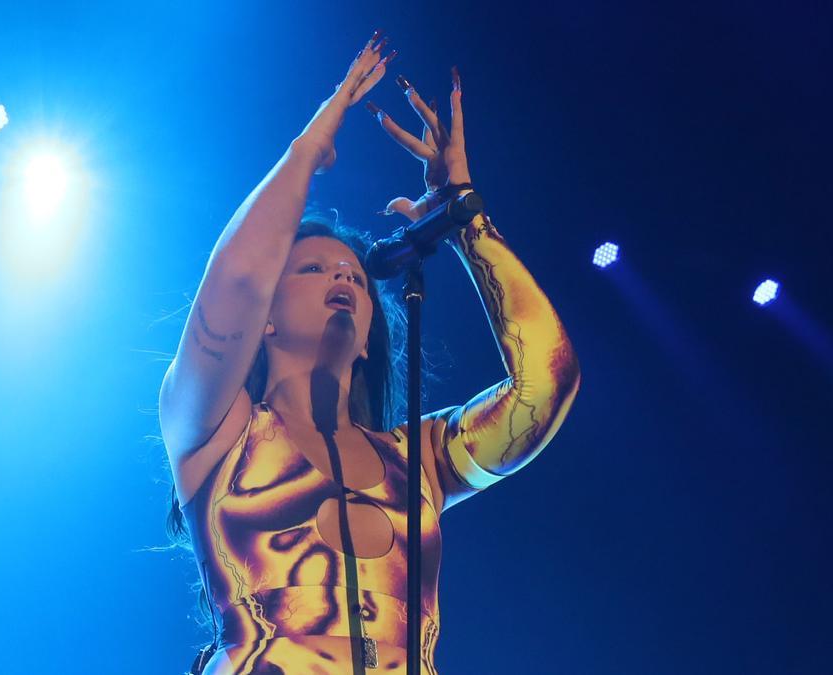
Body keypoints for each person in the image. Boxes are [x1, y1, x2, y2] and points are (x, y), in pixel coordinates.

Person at [160, 31, 581, 674]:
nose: (343, 279)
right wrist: (308, 152)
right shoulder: (217, 430)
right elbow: (239, 279)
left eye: (355, 275)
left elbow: (546, 385)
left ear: (367, 341)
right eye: (312, 271)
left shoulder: (421, 463)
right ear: (262, 324)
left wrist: (464, 219)